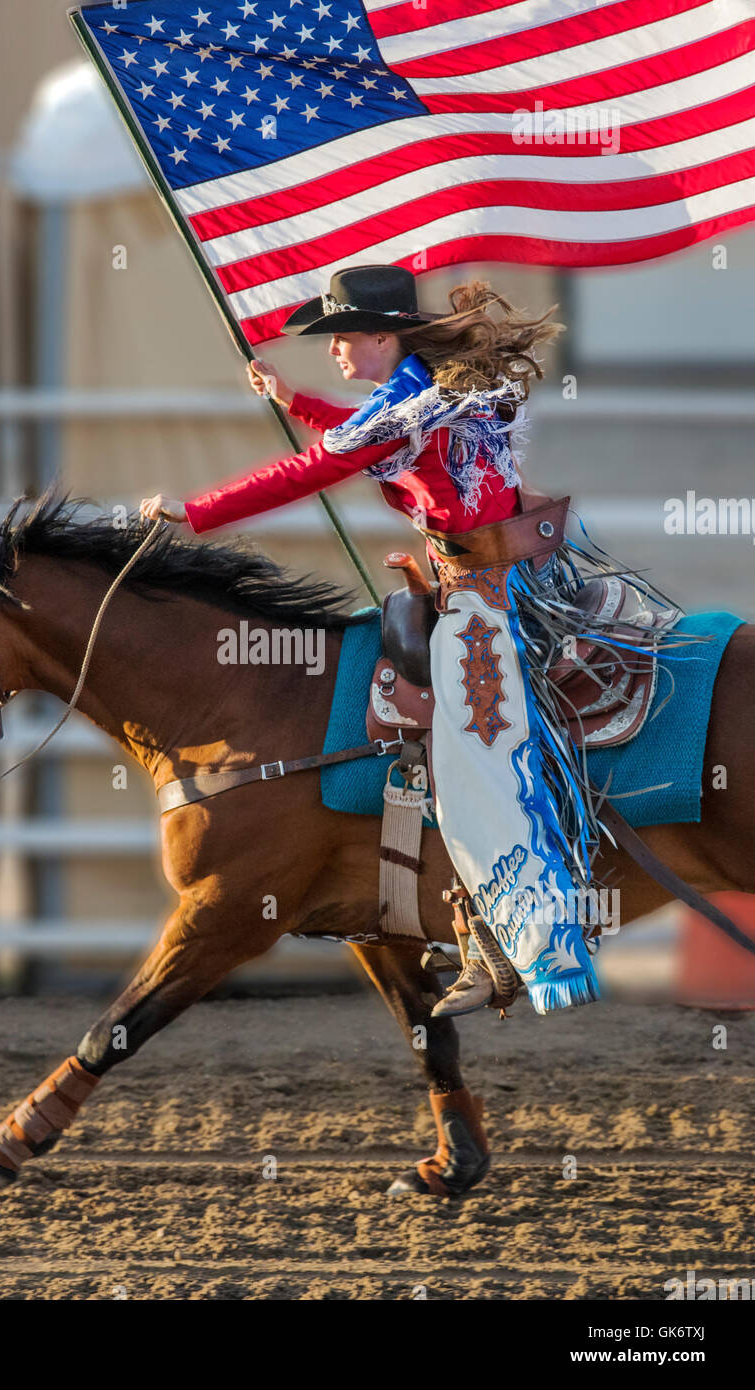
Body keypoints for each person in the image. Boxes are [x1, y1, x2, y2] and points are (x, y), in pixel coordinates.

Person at [139, 264, 652, 1017]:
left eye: (344, 340)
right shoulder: (431, 386)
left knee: (474, 752)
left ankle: (517, 939)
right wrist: (296, 400)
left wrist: (195, 511)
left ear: (381, 337)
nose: (336, 354)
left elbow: (318, 465)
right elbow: (362, 434)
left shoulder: (406, 400)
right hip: (520, 569)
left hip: (484, 594)